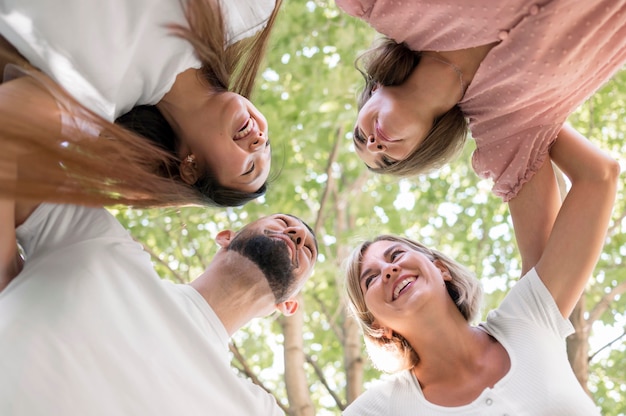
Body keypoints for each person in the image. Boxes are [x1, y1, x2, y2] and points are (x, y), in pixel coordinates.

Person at [342, 125, 620, 414]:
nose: (389, 270)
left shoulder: (528, 319)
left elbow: (598, 176)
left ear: (440, 269)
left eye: (396, 254)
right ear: (377, 327)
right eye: (371, 278)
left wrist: (491, 98)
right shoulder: (379, 409)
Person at [0, 200, 318, 415]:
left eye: (307, 250)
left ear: (288, 305)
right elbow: (15, 150)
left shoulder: (255, 409)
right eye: (284, 222)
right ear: (225, 237)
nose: (298, 235)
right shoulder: (102, 247)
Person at [337, 0, 626, 203]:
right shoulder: (509, 125)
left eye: (361, 137)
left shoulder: (385, 6)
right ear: (420, 150)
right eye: (386, 159)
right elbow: (542, 268)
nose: (375, 145)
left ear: (374, 91)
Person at [0, 0, 280, 208]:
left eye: (248, 168)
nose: (259, 142)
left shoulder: (92, 105)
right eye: (267, 145)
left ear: (190, 167)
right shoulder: (245, 12)